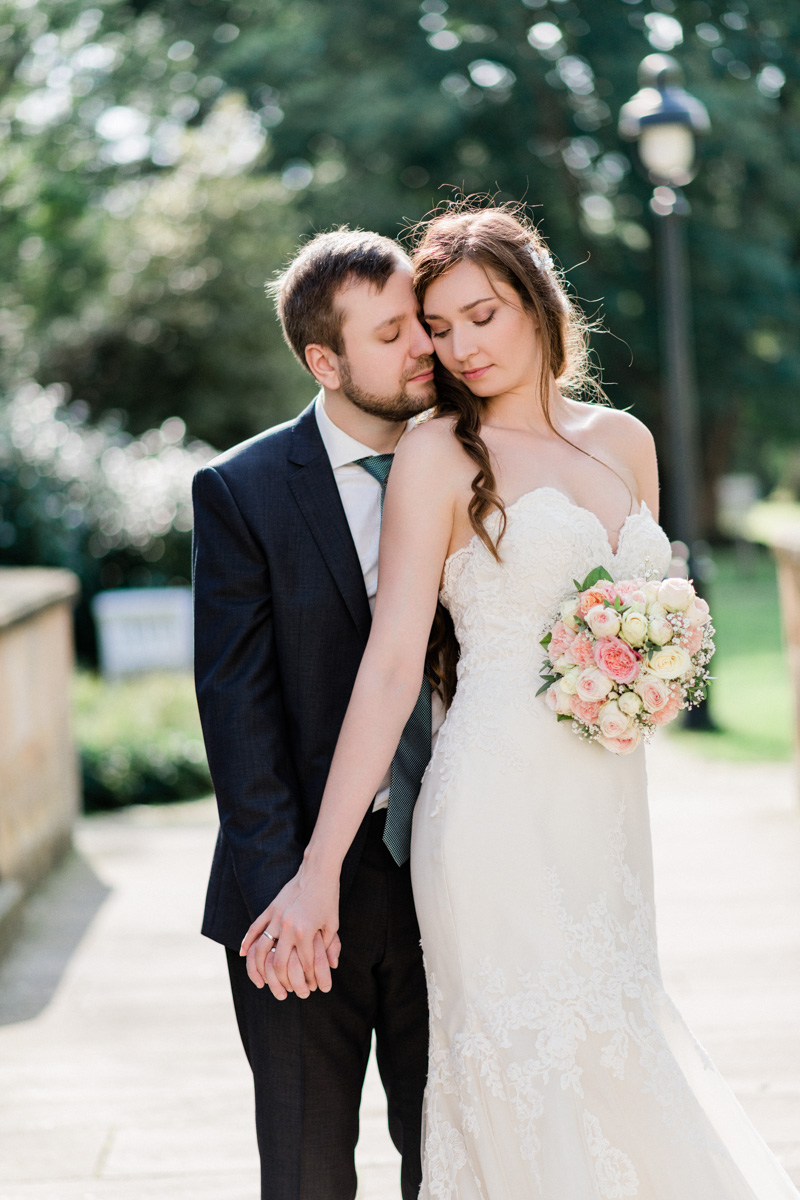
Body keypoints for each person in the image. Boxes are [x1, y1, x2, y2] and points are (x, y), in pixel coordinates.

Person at [242, 204, 800, 1199]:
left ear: (538, 303)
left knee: (615, 1040)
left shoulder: (625, 443)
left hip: (603, 810)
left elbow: (642, 606)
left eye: (481, 315)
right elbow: (389, 667)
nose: (461, 346)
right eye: (441, 327)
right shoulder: (439, 455)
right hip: (491, 810)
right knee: (525, 1065)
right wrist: (318, 866)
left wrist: (649, 675)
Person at [192, 227, 445, 1200]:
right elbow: (237, 711)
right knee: (305, 1173)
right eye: (391, 335)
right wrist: (289, 899)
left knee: (454, 1159)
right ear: (323, 360)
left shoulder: (474, 467)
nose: (423, 347)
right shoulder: (242, 492)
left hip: (451, 880)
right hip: (298, 894)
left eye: (418, 324)